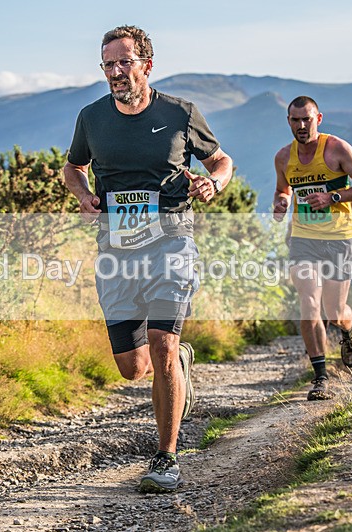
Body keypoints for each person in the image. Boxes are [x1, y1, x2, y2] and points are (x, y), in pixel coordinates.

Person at [63, 25, 232, 493]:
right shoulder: (91, 117)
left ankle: (166, 458)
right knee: (133, 367)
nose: (116, 72)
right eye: (108, 64)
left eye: (124, 62)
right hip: (116, 247)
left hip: (171, 240)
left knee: (161, 343)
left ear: (146, 65)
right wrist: (82, 194)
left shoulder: (180, 113)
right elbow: (73, 167)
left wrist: (212, 183)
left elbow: (221, 161)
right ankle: (179, 363)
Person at [272, 96, 352, 401]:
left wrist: (333, 198)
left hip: (340, 238)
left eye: (307, 119)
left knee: (333, 311)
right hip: (303, 238)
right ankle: (320, 377)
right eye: (295, 120)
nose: (301, 126)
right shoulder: (283, 157)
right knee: (309, 302)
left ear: (318, 119)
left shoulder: (337, 149)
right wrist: (281, 202)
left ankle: (348, 327)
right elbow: (282, 188)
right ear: (288, 121)